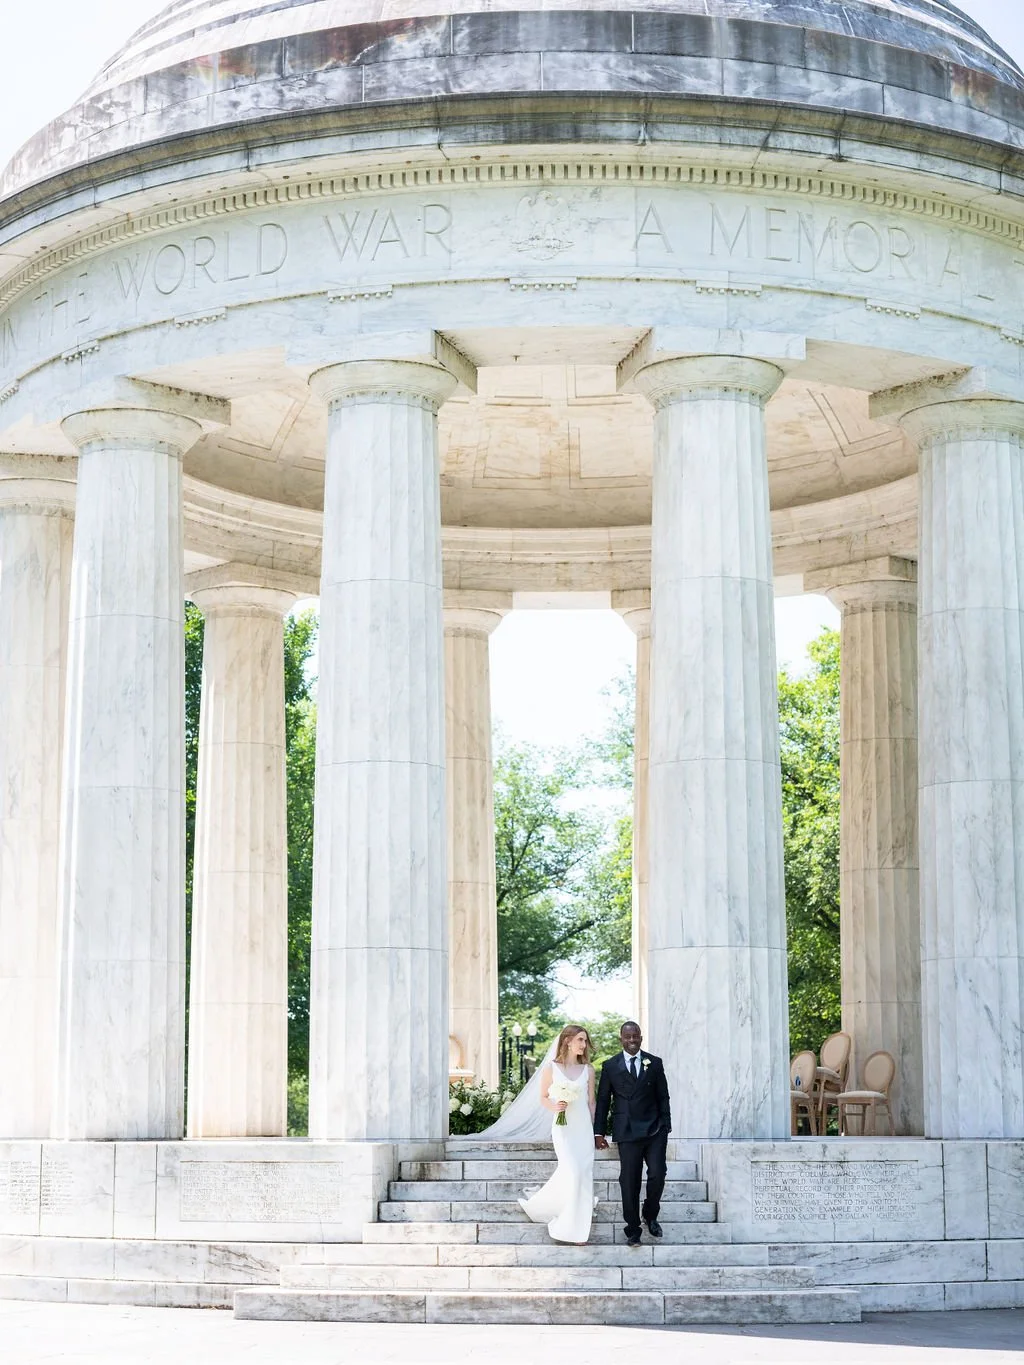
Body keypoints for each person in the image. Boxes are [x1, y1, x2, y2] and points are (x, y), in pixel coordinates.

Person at [593, 1020, 672, 1247]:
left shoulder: (654, 1063)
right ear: (621, 1039)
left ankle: (650, 1213)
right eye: (627, 1037)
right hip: (626, 1130)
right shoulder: (610, 1066)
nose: (632, 1041)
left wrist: (666, 1125)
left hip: (655, 1129)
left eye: (635, 1037)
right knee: (629, 1181)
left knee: (658, 1173)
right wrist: (599, 1132)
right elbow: (603, 1101)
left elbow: (663, 1096)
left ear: (641, 1037)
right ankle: (633, 1229)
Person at [516, 1025, 597, 1244]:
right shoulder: (552, 1068)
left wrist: (596, 1131)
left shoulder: (588, 1069)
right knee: (573, 1171)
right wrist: (555, 1107)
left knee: (582, 1173)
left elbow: (591, 1102)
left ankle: (578, 1224)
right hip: (563, 1128)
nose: (583, 1044)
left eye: (585, 1041)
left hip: (583, 1130)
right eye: (580, 1039)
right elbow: (543, 1096)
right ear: (567, 1041)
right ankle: (569, 1229)